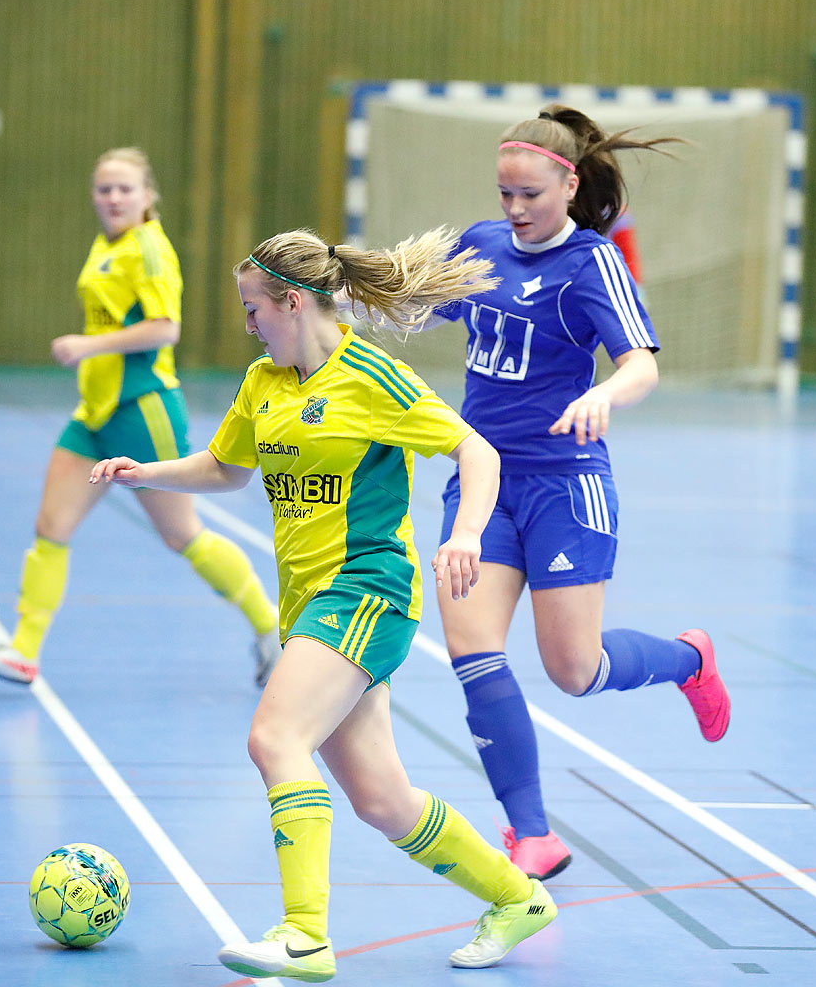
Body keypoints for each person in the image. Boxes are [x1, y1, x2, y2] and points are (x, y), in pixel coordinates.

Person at [90, 228, 557, 982]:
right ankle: (516, 899)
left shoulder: (370, 377)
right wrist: (147, 473)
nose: (248, 325)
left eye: (254, 310)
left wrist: (466, 532)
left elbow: (478, 450)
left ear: (295, 301)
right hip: (307, 604)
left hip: (366, 590)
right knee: (380, 797)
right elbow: (224, 467)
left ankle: (305, 935)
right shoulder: (265, 383)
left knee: (274, 738)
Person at [417, 105, 732, 882]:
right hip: (484, 479)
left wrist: (606, 395)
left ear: (568, 182)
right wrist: (360, 294)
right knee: (471, 647)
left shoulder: (592, 264)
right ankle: (531, 834)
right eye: (504, 195)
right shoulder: (482, 245)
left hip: (564, 484)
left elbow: (642, 363)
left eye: (530, 194)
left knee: (574, 670)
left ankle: (689, 661)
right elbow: (422, 306)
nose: (515, 210)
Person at [0, 147, 281, 686]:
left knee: (183, 536)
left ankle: (269, 626)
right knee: (51, 527)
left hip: (142, 410)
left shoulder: (150, 251)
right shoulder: (106, 245)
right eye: (104, 188)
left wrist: (88, 346)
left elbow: (164, 328)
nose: (113, 198)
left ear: (148, 196)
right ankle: (23, 652)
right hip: (95, 413)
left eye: (125, 189)